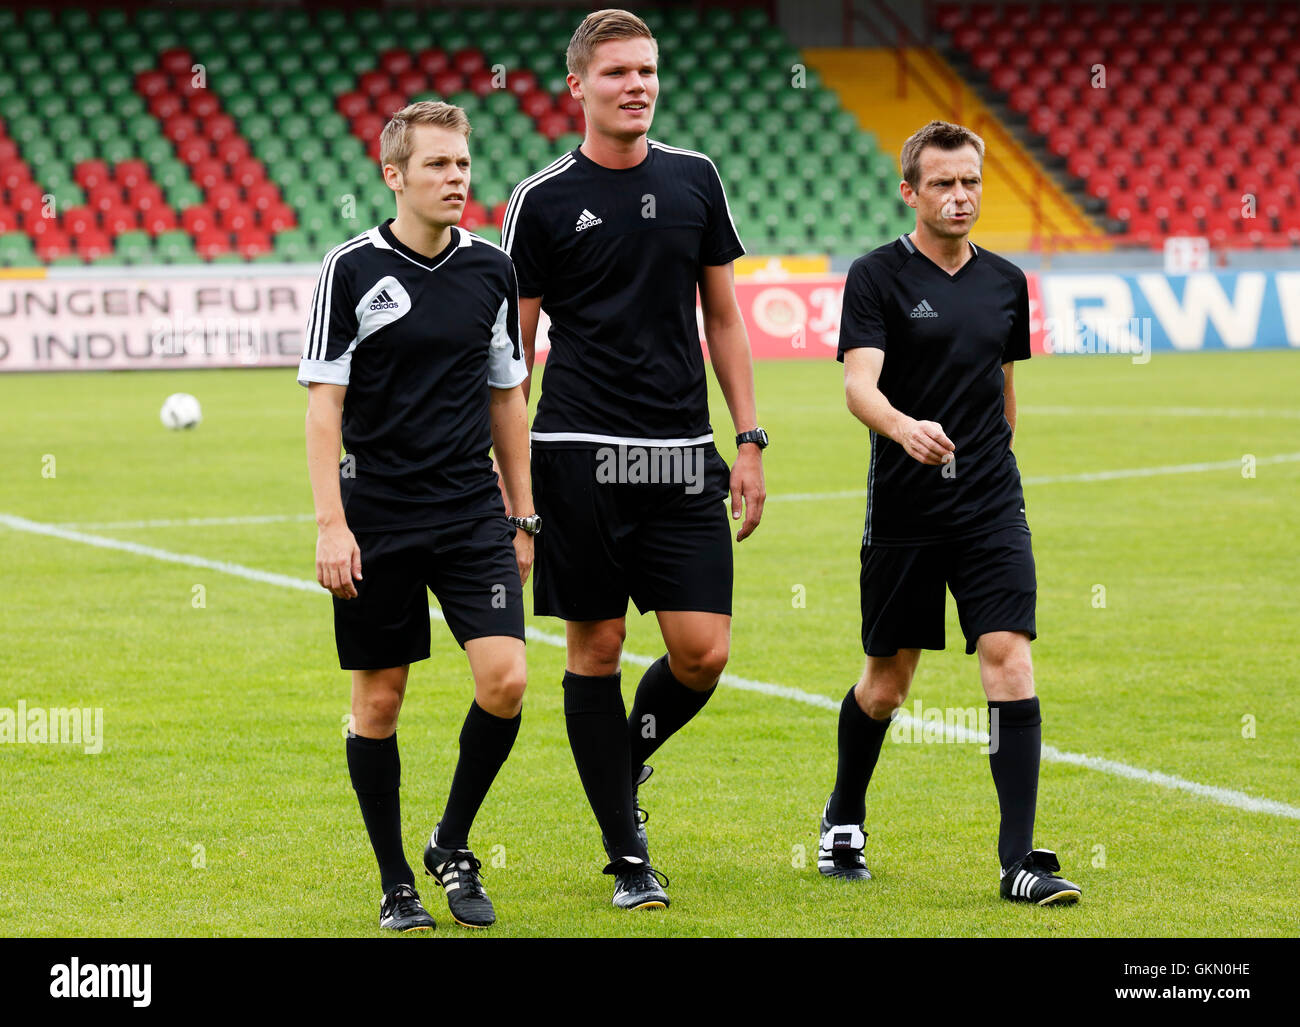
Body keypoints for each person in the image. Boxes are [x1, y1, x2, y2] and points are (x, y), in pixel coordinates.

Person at [502, 8, 767, 910]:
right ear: (577, 87)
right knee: (597, 648)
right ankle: (627, 857)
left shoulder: (697, 180)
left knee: (704, 652)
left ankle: (624, 759)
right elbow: (515, 356)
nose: (638, 85)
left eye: (647, 70)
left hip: (684, 455)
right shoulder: (539, 200)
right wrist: (513, 491)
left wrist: (748, 439)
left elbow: (724, 319)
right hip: (577, 453)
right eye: (617, 73)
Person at [818, 120, 1080, 905]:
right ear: (911, 191)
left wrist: (993, 469)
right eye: (943, 183)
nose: (960, 196)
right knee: (888, 682)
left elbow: (1003, 393)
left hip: (991, 502)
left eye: (970, 181)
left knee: (1009, 653)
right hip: (904, 507)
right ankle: (844, 814)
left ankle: (1017, 861)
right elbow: (859, 385)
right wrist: (904, 429)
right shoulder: (875, 277)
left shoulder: (1006, 282)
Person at [299, 100, 537, 931]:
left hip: (470, 505)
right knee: (382, 702)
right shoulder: (352, 269)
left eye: (463, 165)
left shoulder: (492, 269)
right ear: (392, 175)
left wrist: (523, 513)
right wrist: (333, 523)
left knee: (506, 679)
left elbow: (508, 397)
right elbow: (323, 407)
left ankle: (451, 839)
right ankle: (397, 880)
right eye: (438, 165)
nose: (456, 179)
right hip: (378, 510)